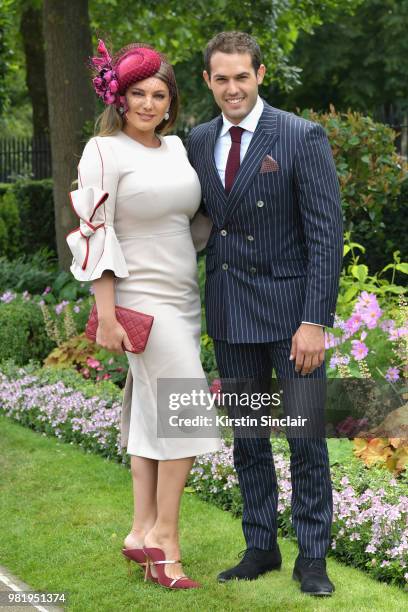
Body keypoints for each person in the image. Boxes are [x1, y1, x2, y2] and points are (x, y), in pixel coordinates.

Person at [187, 31, 343, 596]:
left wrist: (314, 321)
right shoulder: (198, 141)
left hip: (290, 316)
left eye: (242, 76)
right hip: (230, 311)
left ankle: (313, 558)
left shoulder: (301, 136)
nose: (233, 88)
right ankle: (260, 547)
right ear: (208, 81)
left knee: (304, 438)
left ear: (260, 75)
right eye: (221, 78)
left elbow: (326, 238)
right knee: (249, 437)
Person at [66, 39, 221, 590]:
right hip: (139, 301)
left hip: (183, 296)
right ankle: (166, 538)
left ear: (171, 102)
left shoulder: (176, 149)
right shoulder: (102, 151)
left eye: (160, 94)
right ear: (119, 97)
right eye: (139, 94)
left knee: (153, 413)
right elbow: (96, 234)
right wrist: (105, 314)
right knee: (186, 412)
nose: (150, 104)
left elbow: (192, 225)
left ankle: (138, 532)